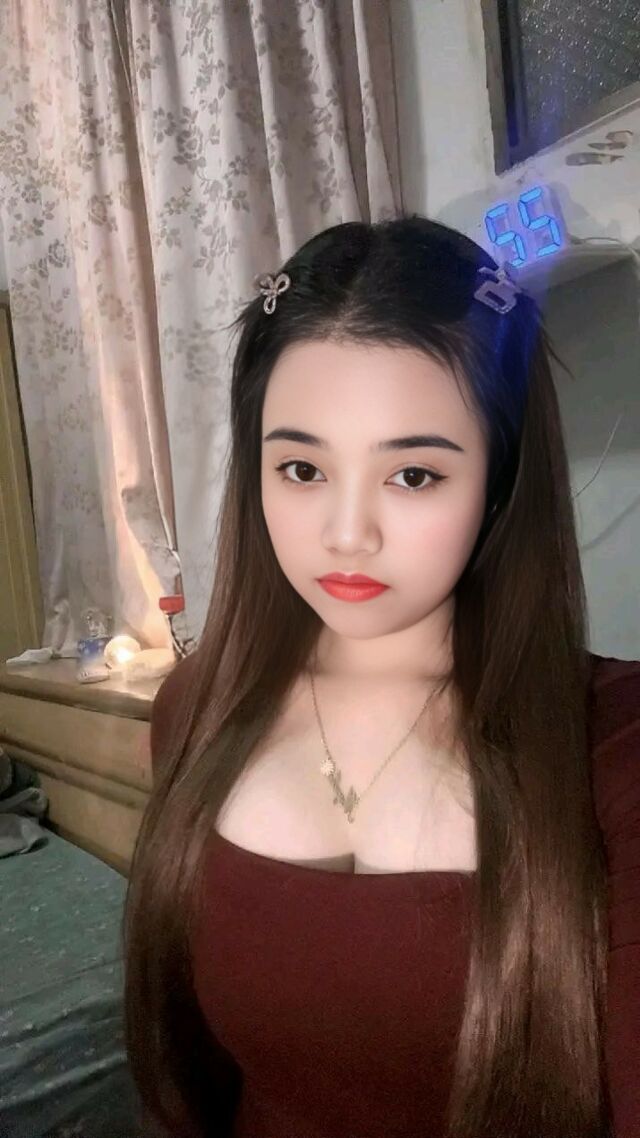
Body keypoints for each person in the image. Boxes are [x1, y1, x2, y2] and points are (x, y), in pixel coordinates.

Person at [123, 214, 640, 1138]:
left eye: (412, 476)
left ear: (499, 478)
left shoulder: (615, 747)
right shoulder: (196, 709)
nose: (346, 534)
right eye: (301, 468)